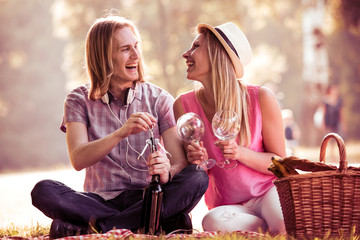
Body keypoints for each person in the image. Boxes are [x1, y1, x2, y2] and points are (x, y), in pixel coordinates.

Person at [31, 15, 208, 239]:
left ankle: (101, 228)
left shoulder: (159, 99)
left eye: (136, 46)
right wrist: (120, 132)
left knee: (198, 176)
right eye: (125, 49)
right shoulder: (78, 100)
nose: (136, 55)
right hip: (99, 199)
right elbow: (78, 159)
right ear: (104, 57)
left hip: (147, 196)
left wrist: (166, 172)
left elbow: (179, 162)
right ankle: (150, 223)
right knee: (44, 190)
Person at [173, 22, 286, 234]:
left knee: (283, 222)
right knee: (210, 222)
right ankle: (267, 229)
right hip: (227, 206)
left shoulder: (260, 98)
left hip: (267, 193)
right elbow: (192, 170)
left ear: (217, 55)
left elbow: (281, 165)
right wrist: (194, 160)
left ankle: (270, 226)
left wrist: (239, 153)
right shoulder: (183, 105)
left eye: (196, 47)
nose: (186, 54)